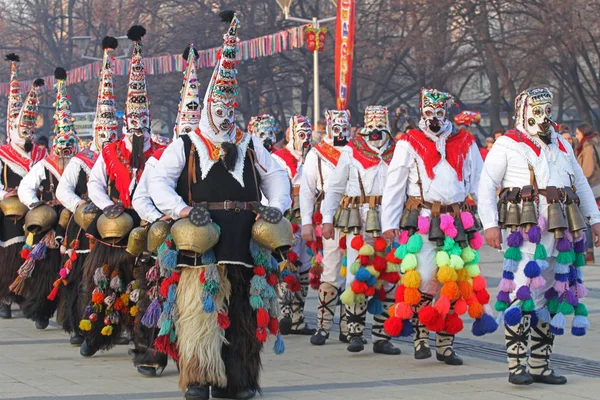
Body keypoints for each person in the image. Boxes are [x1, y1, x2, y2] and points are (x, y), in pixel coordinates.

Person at [149, 11, 291, 399]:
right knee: (200, 309)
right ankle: (198, 377)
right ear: (210, 106)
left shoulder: (248, 143)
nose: (227, 116)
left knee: (243, 308)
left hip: (244, 235)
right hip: (201, 234)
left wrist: (277, 204)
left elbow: (277, 175)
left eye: (231, 109)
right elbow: (158, 182)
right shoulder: (187, 144)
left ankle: (239, 380)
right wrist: (180, 211)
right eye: (220, 108)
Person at [479, 88, 600, 386]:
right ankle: (516, 364)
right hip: (525, 232)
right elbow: (486, 184)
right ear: (523, 113)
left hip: (560, 231)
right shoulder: (508, 144)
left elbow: (581, 184)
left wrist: (595, 219)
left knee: (552, 294)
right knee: (522, 291)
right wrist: (490, 224)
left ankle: (540, 364)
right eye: (537, 111)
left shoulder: (561, 143)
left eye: (547, 110)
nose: (543, 117)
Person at [381, 88, 496, 365]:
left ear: (448, 113)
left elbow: (481, 183)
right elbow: (394, 185)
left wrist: (491, 222)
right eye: (429, 113)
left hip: (456, 220)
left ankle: (445, 343)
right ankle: (421, 335)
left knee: (453, 279)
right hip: (422, 217)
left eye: (440, 113)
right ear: (422, 112)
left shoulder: (465, 141)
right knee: (420, 276)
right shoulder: (409, 142)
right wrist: (389, 222)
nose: (434, 118)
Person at [77, 25, 166, 357]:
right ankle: (97, 331)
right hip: (115, 222)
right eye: (135, 122)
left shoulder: (160, 151)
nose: (139, 127)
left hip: (146, 222)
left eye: (144, 121)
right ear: (127, 122)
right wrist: (105, 206)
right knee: (105, 277)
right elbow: (95, 184)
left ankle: (143, 335)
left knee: (144, 282)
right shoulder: (110, 150)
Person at [52, 38, 119, 346]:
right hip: (84, 224)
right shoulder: (82, 160)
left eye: (111, 131)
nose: (106, 136)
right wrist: (81, 205)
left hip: (117, 223)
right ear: (94, 130)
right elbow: (63, 189)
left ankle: (114, 324)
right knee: (81, 276)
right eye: (101, 131)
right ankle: (80, 324)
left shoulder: (122, 157)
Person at [321, 105, 401, 355]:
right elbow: (334, 187)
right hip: (360, 218)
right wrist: (326, 218)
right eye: (372, 127)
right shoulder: (351, 151)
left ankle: (382, 336)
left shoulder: (397, 152)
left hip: (390, 220)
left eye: (380, 126)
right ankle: (354, 332)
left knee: (389, 277)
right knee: (358, 273)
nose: (376, 132)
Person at [13, 70, 80, 330]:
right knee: (46, 269)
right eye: (61, 145)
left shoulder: (82, 164)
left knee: (74, 271)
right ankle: (41, 308)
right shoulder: (44, 166)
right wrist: (36, 207)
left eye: (69, 145)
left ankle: (71, 317)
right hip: (50, 222)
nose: (64, 151)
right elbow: (26, 188)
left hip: (76, 221)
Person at [0, 55, 47, 319]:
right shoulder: (2, 153)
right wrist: (4, 193)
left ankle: (29, 294)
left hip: (35, 210)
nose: (27, 135)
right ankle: (4, 296)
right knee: (7, 250)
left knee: (35, 250)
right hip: (8, 210)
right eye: (23, 130)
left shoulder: (40, 154)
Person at [300, 109, 351, 346]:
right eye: (336, 127)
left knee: (354, 270)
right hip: (329, 215)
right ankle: (323, 326)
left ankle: (350, 326)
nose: (341, 132)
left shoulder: (355, 151)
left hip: (355, 214)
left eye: (344, 127)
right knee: (330, 268)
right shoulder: (317, 154)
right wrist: (307, 222)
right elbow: (307, 190)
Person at [272, 114, 316, 336]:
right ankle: (284, 314)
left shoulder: (314, 157)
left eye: (308, 134)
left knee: (306, 267)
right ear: (290, 134)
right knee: (285, 263)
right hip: (288, 216)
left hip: (308, 216)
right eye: (301, 134)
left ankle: (299, 317)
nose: (306, 139)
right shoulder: (279, 158)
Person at [575, 122, 600, 264]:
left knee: (588, 219)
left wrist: (579, 181)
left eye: (578, 134)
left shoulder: (588, 147)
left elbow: (588, 170)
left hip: (592, 187)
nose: (576, 137)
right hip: (596, 186)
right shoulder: (594, 143)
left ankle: (588, 252)